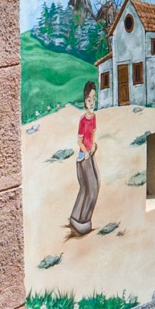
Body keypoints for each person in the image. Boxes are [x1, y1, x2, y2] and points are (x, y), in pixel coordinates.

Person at [69, 81, 100, 235]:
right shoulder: (83, 120)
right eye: (89, 99)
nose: (92, 102)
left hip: (91, 153)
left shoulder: (93, 117)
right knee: (89, 188)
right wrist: (86, 151)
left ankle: (80, 218)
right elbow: (79, 141)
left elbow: (92, 134)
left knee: (93, 186)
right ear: (84, 101)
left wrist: (93, 146)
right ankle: (80, 219)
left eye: (94, 98)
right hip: (83, 157)